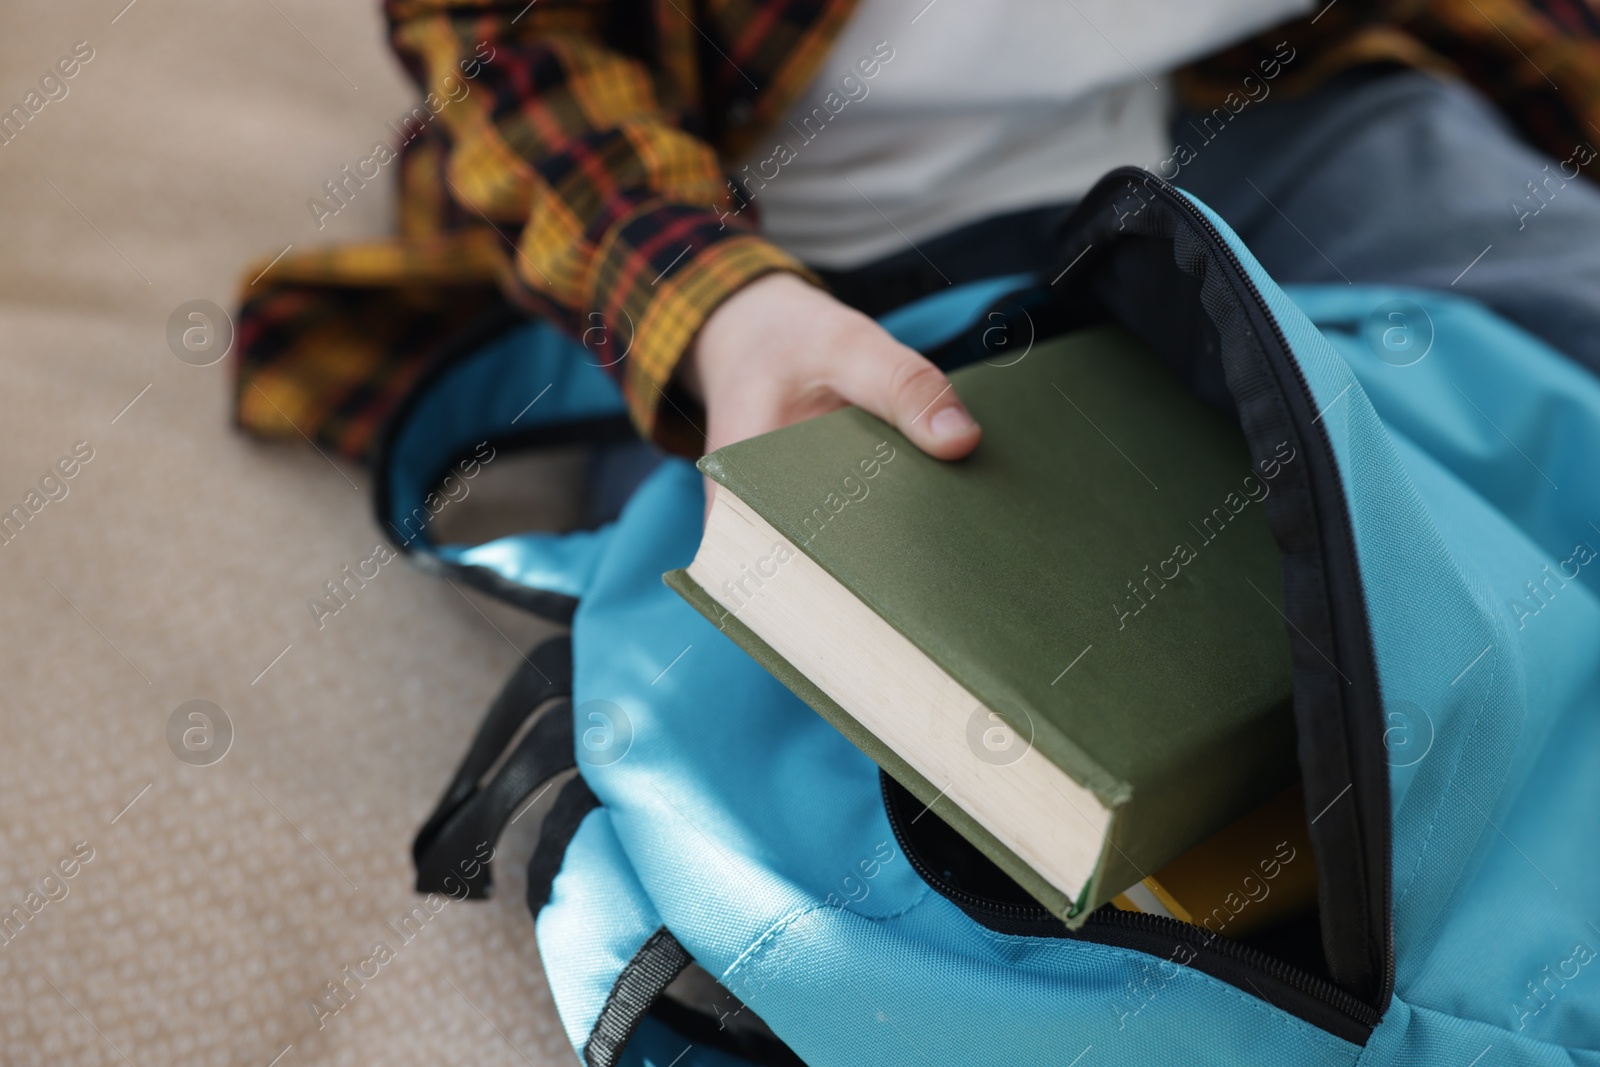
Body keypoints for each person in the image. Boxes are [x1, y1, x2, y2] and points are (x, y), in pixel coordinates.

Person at [234, 0, 1600, 474]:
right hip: (774, 240)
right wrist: (711, 307)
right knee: (954, 697)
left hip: (1237, 112)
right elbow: (515, 48)